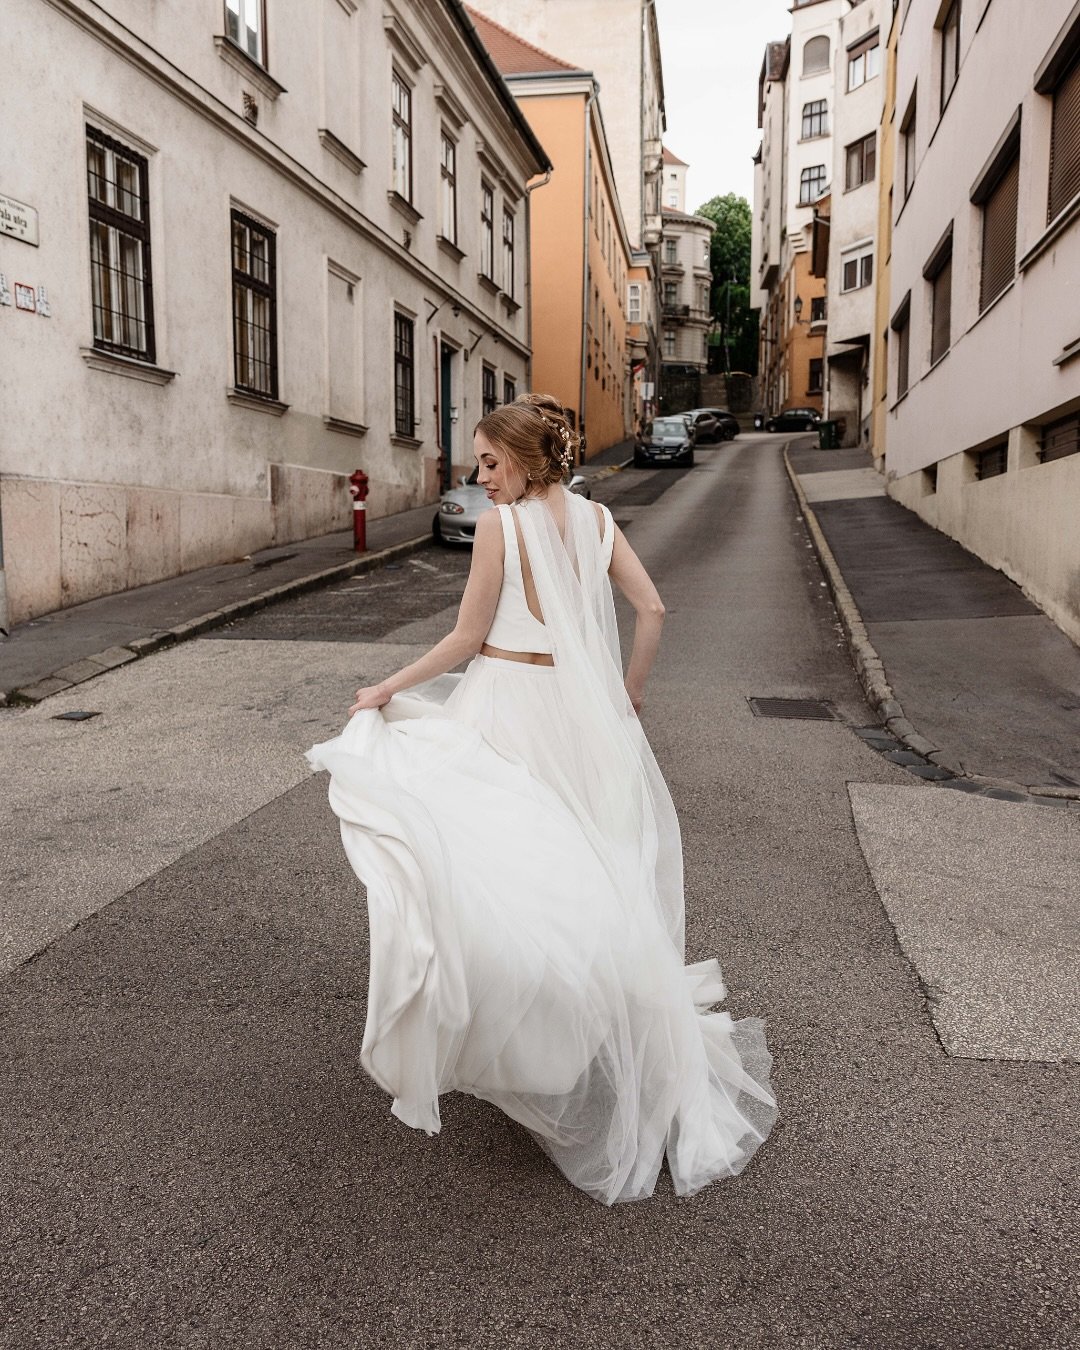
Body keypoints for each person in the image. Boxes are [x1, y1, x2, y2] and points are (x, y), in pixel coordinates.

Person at [307, 393, 776, 1205]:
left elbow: (464, 637)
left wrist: (384, 684)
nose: (479, 476)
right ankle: (576, 1032)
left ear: (525, 457)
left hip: (508, 709)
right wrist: (626, 696)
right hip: (582, 717)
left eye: (490, 461)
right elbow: (653, 609)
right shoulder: (597, 523)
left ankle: (517, 1030)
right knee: (583, 867)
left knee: (493, 864)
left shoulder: (502, 527)